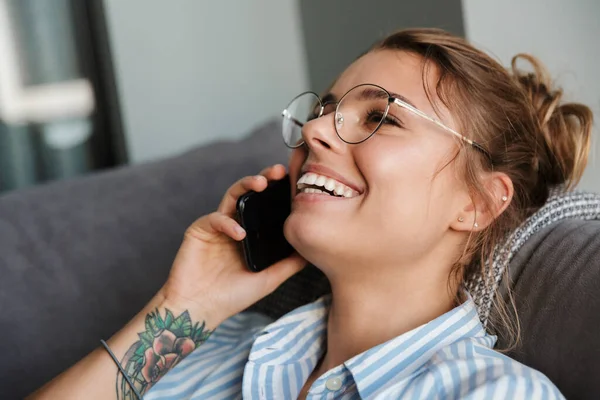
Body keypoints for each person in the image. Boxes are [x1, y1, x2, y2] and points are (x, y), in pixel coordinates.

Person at [29, 28, 592, 399]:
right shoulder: (226, 343)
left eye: (382, 118)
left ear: (476, 203)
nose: (316, 130)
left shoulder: (491, 394)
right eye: (323, 111)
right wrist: (183, 307)